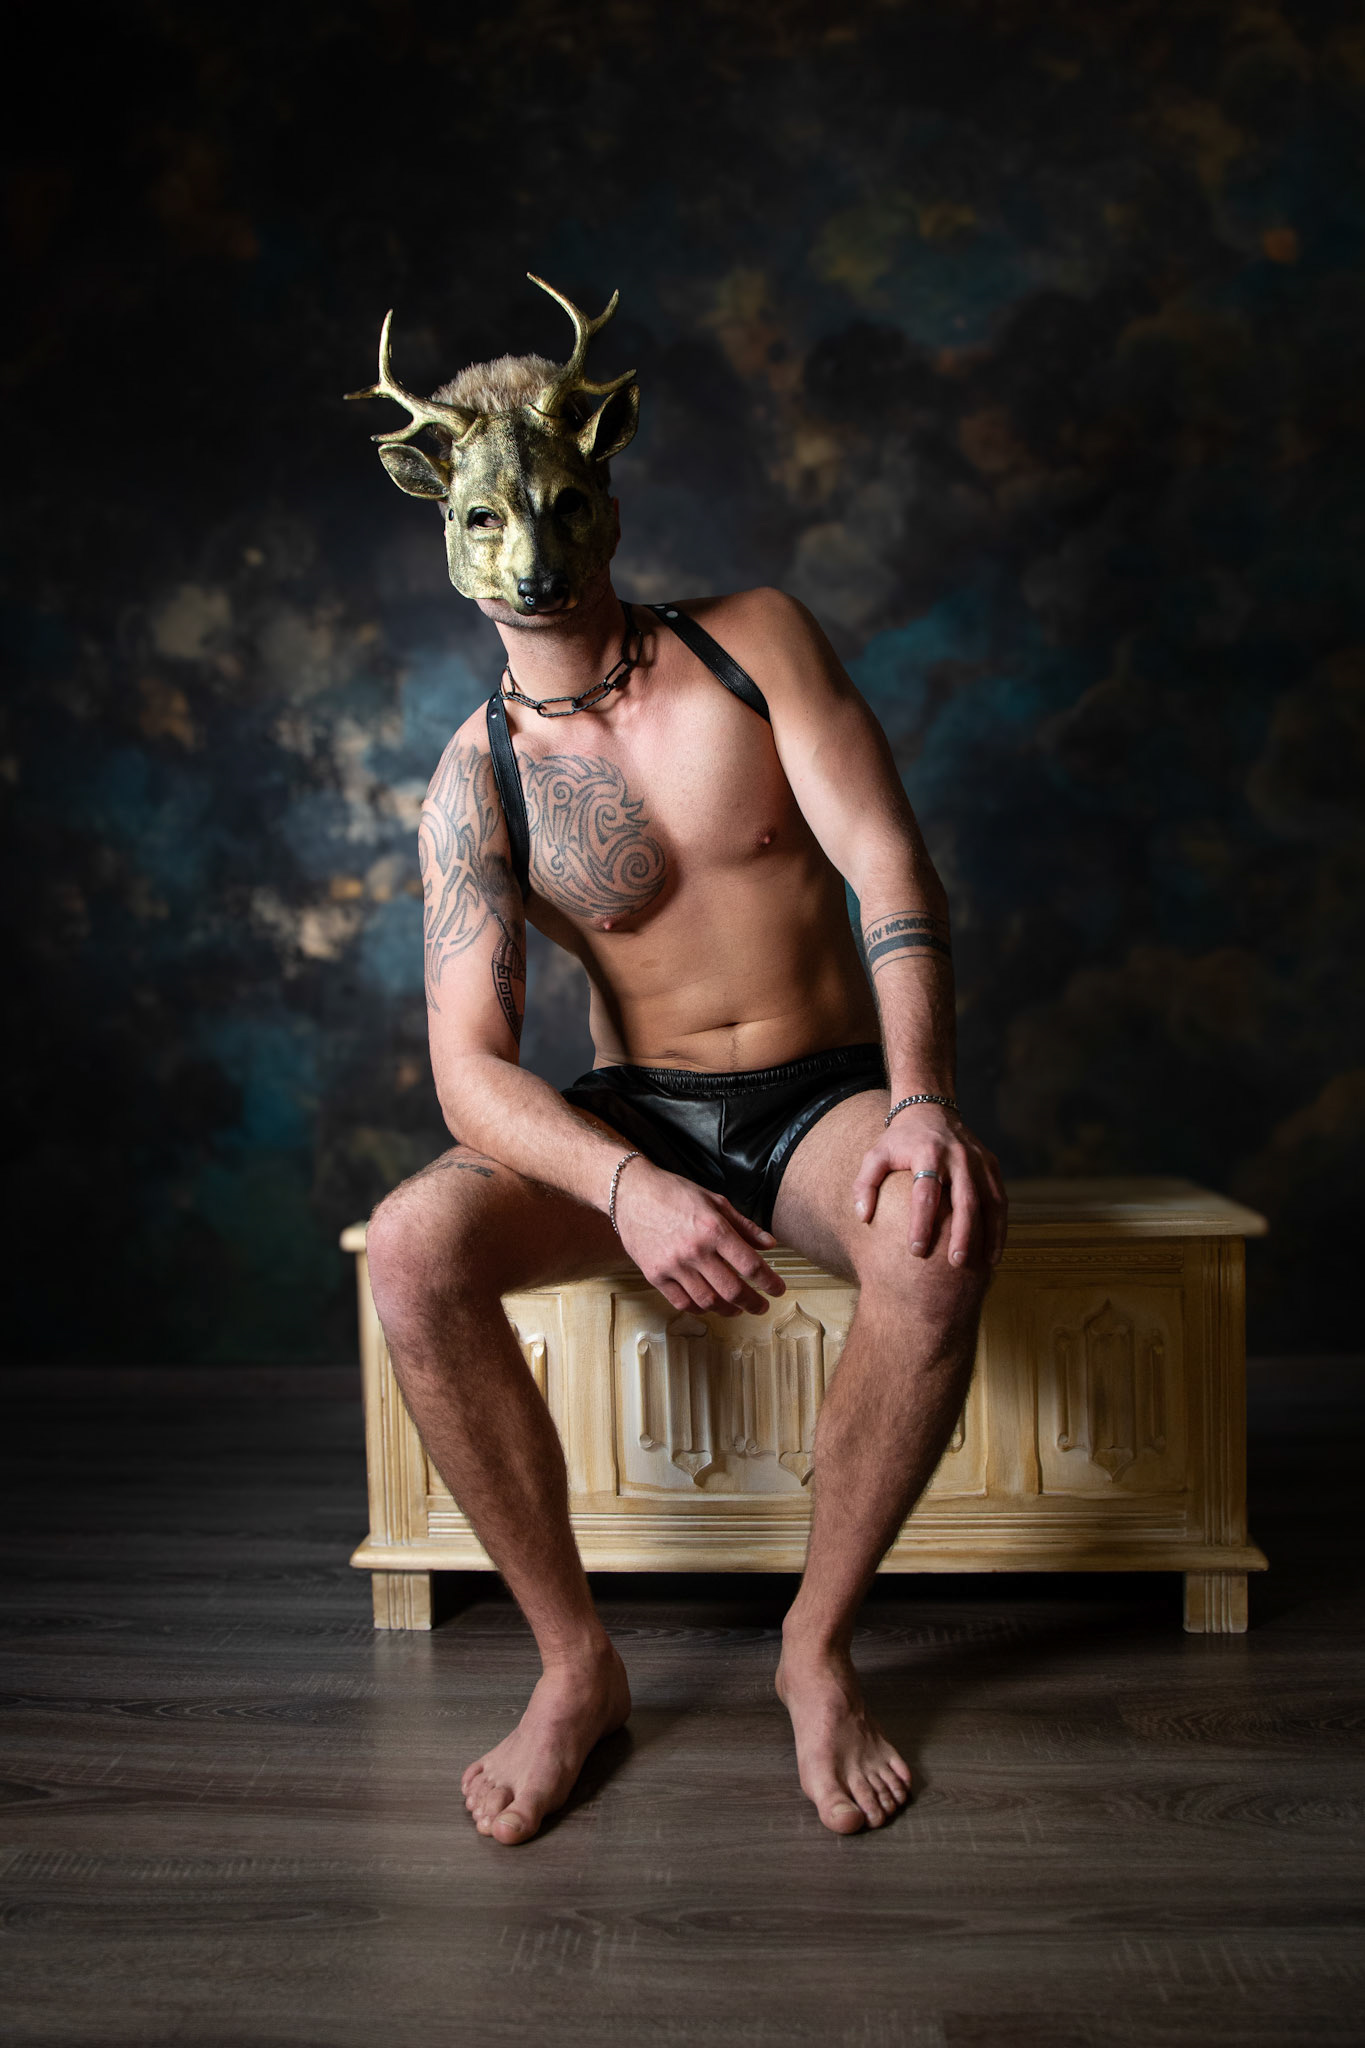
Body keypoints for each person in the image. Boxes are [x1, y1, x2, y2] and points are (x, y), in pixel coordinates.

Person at [353, 277, 1007, 1843]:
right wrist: (626, 1187)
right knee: (414, 1248)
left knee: (936, 1236)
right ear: (438, 517)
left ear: (607, 487)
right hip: (633, 1114)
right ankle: (574, 1667)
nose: (531, 555)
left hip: (819, 1095)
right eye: (489, 521)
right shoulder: (474, 782)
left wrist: (921, 1103)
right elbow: (469, 1072)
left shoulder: (750, 644)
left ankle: (812, 1649)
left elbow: (889, 868)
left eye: (559, 509)